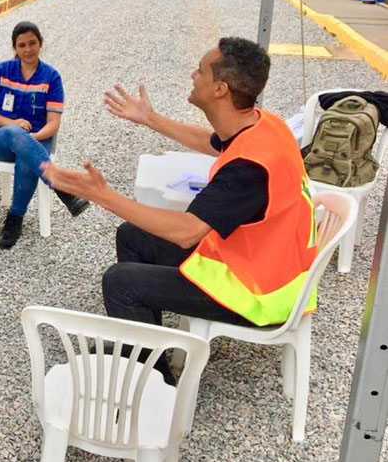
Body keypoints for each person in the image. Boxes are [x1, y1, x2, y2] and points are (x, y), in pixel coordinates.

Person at [44, 37, 316, 382]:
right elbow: (211, 142)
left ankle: (156, 384)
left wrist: (101, 195)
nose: (192, 74)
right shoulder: (264, 125)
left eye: (200, 70)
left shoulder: (249, 169)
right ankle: (141, 349)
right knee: (132, 236)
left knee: (120, 282)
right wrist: (150, 118)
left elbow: (186, 231)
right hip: (262, 265)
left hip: (260, 293)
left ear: (219, 89)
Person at [0, 21, 89, 249]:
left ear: (40, 44)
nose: (27, 49)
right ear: (14, 48)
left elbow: (53, 124)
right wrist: (14, 126)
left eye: (32, 43)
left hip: (38, 140)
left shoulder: (51, 77)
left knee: (26, 158)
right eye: (22, 45)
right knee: (14, 133)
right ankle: (61, 186)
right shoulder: (2, 70)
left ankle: (14, 219)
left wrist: (28, 141)